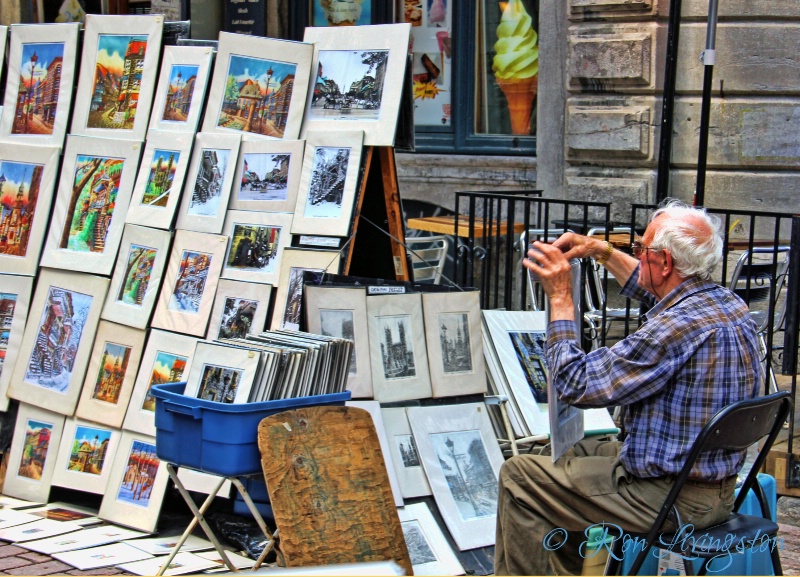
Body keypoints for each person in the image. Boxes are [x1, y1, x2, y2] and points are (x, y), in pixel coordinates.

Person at [494, 200, 762, 576]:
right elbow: (651, 284)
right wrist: (601, 251)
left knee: (520, 476)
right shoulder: (726, 304)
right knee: (551, 452)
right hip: (712, 486)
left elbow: (575, 383)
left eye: (642, 249)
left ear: (666, 261)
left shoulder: (672, 330)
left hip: (668, 498)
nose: (636, 254)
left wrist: (560, 297)